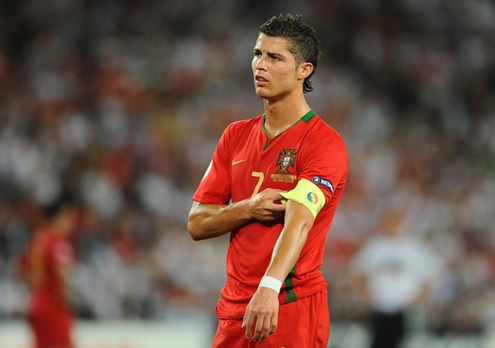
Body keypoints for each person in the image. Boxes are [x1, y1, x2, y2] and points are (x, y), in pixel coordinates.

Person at [187, 13, 348, 347]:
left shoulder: (322, 142)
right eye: (258, 54)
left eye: (275, 57)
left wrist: (270, 286)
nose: (260, 65)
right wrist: (250, 207)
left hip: (289, 303)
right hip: (235, 310)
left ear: (305, 70)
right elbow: (197, 223)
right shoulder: (235, 135)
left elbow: (300, 220)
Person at [351, 210, 443, 348]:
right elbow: (358, 272)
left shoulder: (415, 248)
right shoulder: (375, 246)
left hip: (405, 309)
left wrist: (417, 299)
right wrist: (365, 296)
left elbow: (430, 277)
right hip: (379, 307)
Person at [18, 197, 78, 348]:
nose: (72, 224)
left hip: (35, 303)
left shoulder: (38, 239)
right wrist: (68, 298)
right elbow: (62, 272)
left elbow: (22, 269)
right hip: (53, 305)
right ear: (62, 216)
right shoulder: (58, 241)